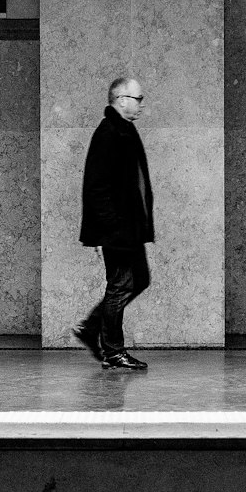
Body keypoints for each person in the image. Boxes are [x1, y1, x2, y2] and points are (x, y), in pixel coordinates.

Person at [72, 76, 154, 372]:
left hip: (130, 229)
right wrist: (112, 228)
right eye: (138, 99)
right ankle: (113, 352)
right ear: (121, 99)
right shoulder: (108, 133)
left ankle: (92, 329)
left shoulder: (125, 131)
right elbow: (96, 188)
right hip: (118, 231)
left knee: (139, 279)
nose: (141, 104)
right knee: (120, 286)